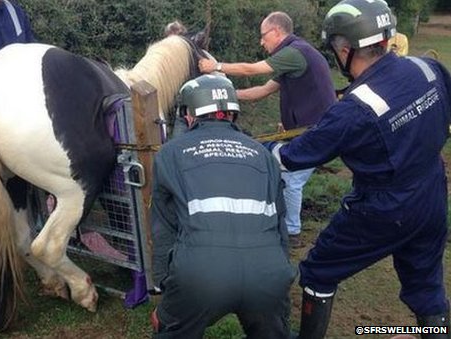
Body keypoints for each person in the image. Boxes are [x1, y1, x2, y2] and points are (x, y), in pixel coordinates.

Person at [264, 0, 451, 337]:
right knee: (425, 285)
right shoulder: (427, 69)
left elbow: (292, 156)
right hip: (432, 191)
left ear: (345, 49)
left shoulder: (354, 109)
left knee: (319, 270)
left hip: (384, 206)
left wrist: (258, 149)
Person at [150, 74, 295, 338]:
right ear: (232, 113)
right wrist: (281, 272)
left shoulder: (169, 153)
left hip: (200, 275)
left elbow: (164, 227)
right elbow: (280, 223)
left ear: (189, 115)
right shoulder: (263, 154)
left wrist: (164, 287)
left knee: (169, 328)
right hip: (268, 272)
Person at [199, 11, 337, 248]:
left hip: (319, 132)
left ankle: (291, 232)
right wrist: (224, 96)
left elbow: (251, 70)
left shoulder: (295, 53)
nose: (261, 42)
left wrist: (216, 66)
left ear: (276, 32)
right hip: (310, 130)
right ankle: (280, 223)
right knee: (282, 173)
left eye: (263, 36)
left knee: (292, 179)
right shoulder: (293, 59)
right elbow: (262, 91)